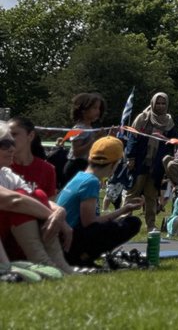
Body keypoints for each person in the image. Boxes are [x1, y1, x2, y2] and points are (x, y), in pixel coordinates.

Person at [56, 136, 143, 267]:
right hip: (71, 242)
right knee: (132, 223)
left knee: (111, 225)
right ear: (114, 164)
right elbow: (89, 222)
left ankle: (83, 257)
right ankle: (82, 258)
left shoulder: (80, 177)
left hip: (62, 240)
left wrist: (125, 209)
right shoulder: (91, 182)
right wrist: (122, 211)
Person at [0, 122, 73, 275]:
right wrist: (53, 216)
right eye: (5, 144)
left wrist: (59, 212)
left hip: (12, 238)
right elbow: (13, 201)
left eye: (12, 143)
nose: (12, 148)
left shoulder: (5, 173)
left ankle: (58, 265)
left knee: (36, 195)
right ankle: (41, 263)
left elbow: (36, 198)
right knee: (21, 203)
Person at [125, 91, 177, 231]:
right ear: (153, 103)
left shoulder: (169, 122)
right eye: (158, 103)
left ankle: (151, 226)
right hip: (140, 162)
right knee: (132, 193)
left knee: (151, 196)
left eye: (163, 103)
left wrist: (168, 164)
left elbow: (172, 144)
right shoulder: (143, 118)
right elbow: (132, 139)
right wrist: (131, 157)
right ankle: (124, 222)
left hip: (157, 165)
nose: (160, 106)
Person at [59, 93, 108, 188]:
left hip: (85, 165)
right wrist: (95, 139)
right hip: (76, 166)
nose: (97, 111)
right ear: (83, 110)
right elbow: (77, 152)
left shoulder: (89, 128)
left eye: (99, 108)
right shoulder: (79, 128)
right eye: (94, 108)